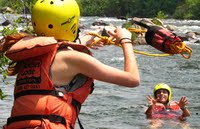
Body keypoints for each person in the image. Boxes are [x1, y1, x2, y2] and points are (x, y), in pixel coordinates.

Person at [1, 0, 140, 129]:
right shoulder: (73, 58)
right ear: (71, 23)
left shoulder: (32, 55)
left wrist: (93, 35)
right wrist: (125, 40)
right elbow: (132, 79)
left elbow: (58, 50)